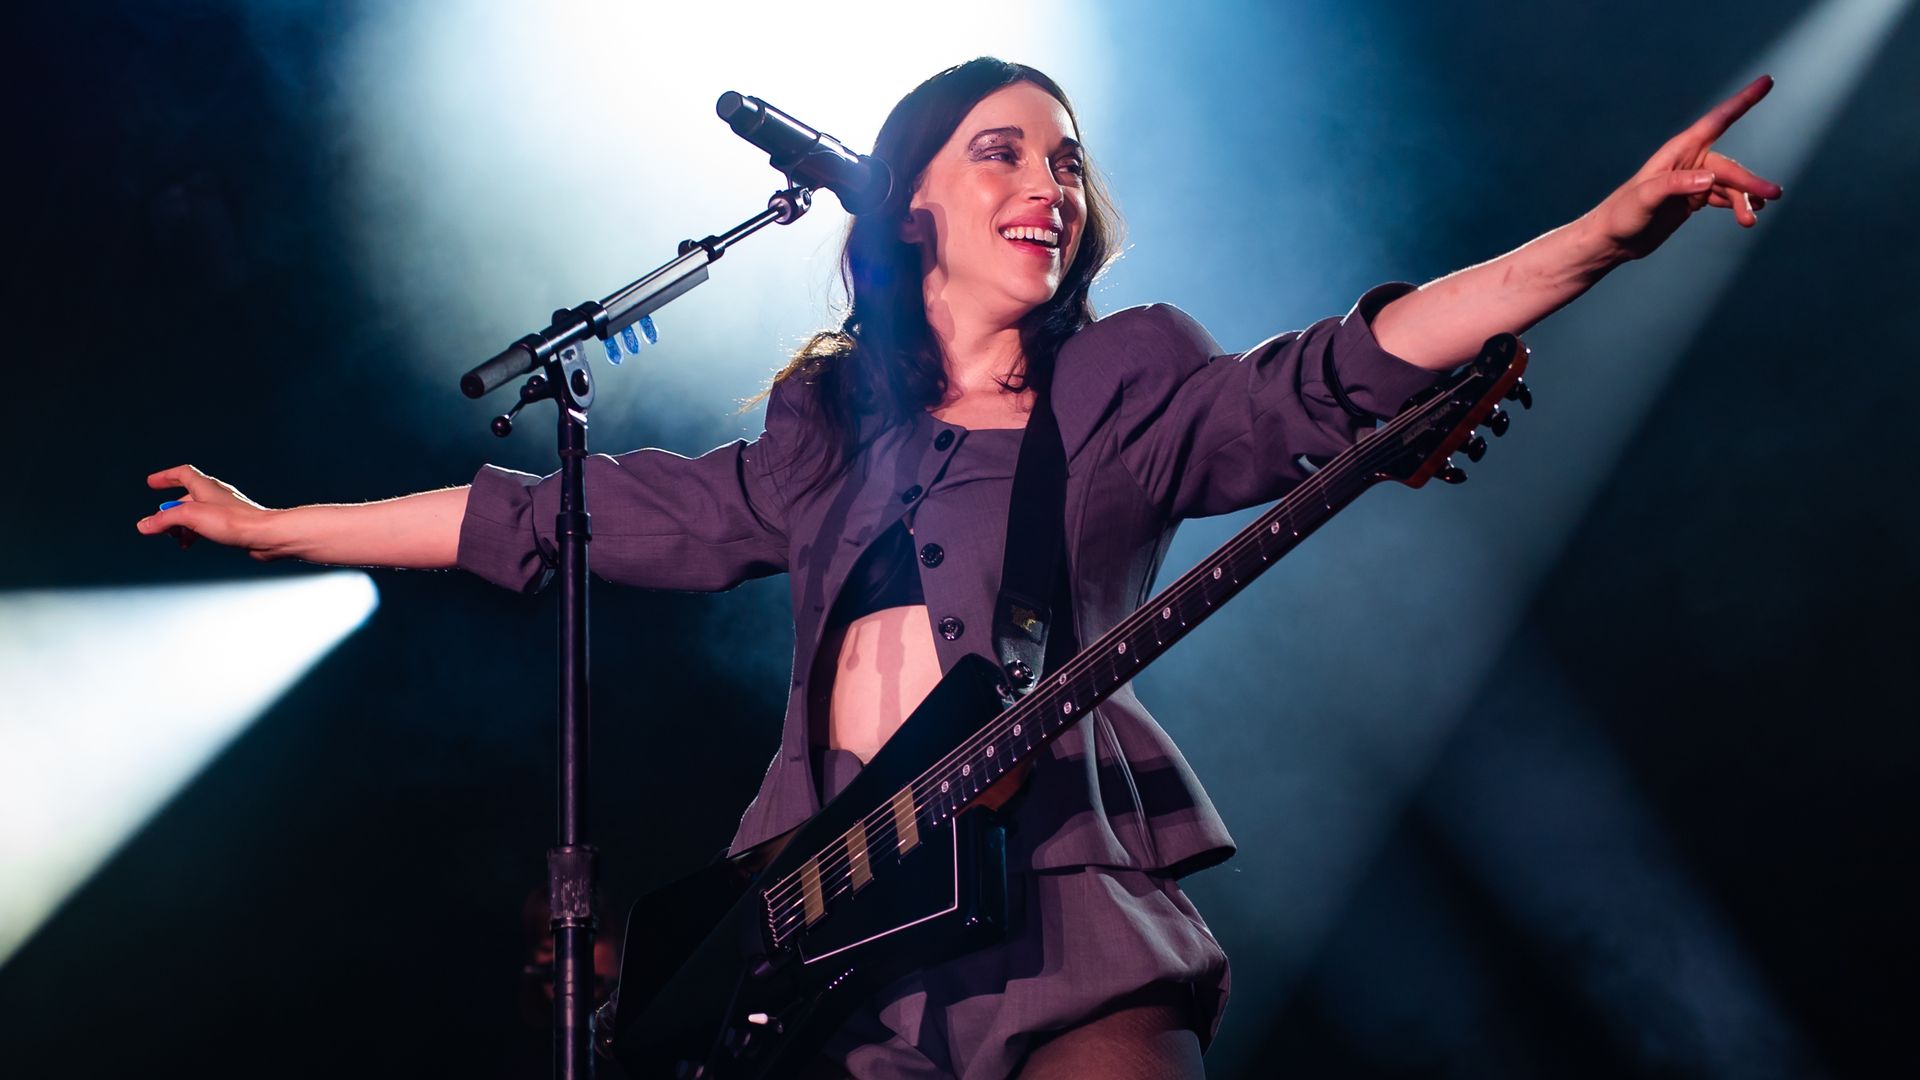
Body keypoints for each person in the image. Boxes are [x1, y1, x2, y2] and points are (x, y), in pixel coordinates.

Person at [136, 57, 1780, 1079]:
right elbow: (575, 516)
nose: (1045, 184)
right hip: (824, 938)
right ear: (910, 195)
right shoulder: (820, 428)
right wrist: (286, 528)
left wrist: (1604, 233)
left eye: (1063, 160)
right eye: (1002, 151)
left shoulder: (1124, 379)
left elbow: (1341, 368)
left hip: (1054, 891)